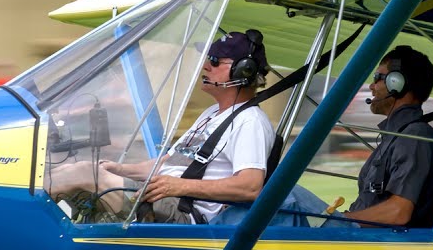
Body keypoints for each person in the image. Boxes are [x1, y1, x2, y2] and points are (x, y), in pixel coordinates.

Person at [51, 30, 274, 223]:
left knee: (80, 174)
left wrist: (179, 187)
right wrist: (120, 169)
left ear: (243, 70)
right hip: (165, 200)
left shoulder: (250, 121)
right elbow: (169, 163)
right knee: (76, 169)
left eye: (215, 60)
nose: (206, 65)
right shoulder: (212, 114)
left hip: (185, 216)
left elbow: (250, 187)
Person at [322, 45, 433, 228]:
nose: (371, 86)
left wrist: (344, 221)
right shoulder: (397, 136)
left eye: (378, 78)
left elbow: (399, 212)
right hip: (357, 234)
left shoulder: (415, 137)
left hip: (365, 239)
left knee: (290, 199)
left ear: (397, 84)